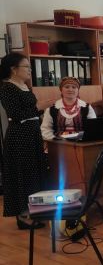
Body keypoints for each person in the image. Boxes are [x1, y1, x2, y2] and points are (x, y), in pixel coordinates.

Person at [0, 53, 48, 229]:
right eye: (26, 66)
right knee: (22, 174)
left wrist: (40, 113)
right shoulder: (7, 88)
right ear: (14, 69)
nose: (30, 70)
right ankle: (22, 215)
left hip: (32, 133)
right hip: (19, 136)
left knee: (34, 173)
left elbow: (31, 112)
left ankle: (34, 210)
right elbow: (15, 114)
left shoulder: (25, 86)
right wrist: (39, 108)